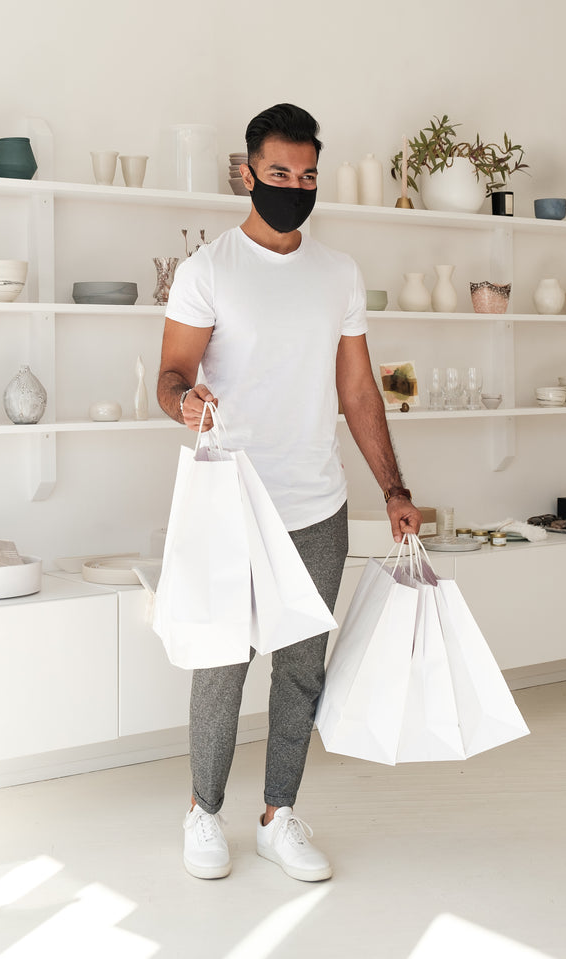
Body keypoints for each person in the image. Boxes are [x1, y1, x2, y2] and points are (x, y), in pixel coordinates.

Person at [157, 102, 421, 882]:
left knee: (303, 668)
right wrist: (185, 402)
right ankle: (204, 812)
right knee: (223, 662)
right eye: (279, 173)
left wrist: (394, 488)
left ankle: (278, 813)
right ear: (247, 173)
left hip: (318, 503)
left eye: (307, 176)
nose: (294, 186)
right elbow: (171, 375)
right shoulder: (208, 270)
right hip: (235, 500)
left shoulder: (338, 274)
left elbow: (360, 393)